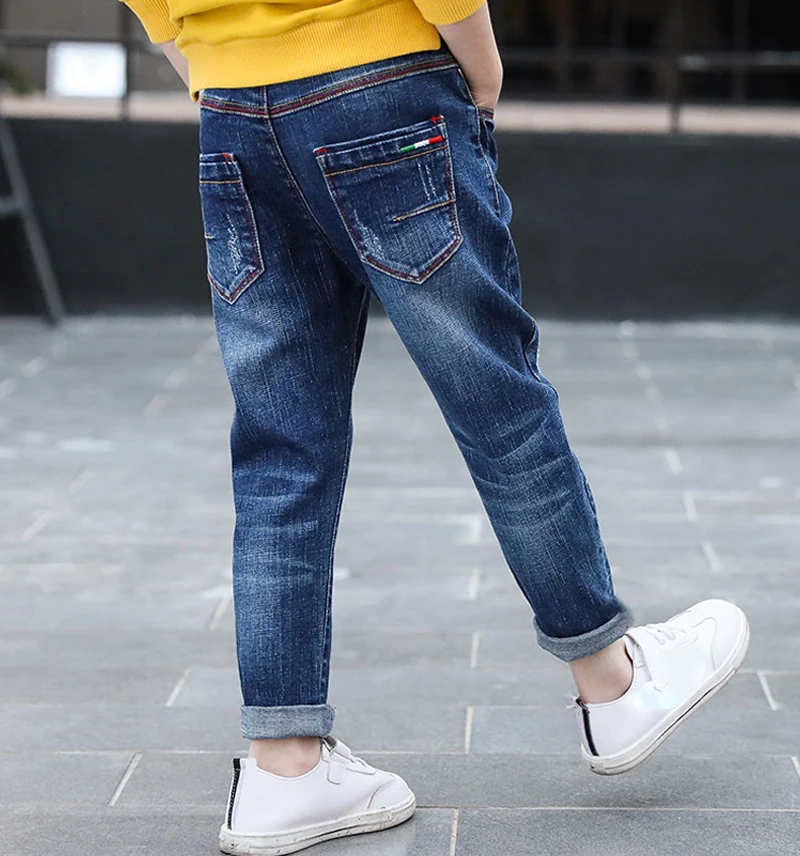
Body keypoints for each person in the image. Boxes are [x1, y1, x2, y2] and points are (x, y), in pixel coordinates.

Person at [120, 1, 750, 853]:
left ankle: (283, 769)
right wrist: (480, 64)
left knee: (281, 454)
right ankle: (613, 681)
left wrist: (205, 57)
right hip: (384, 83)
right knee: (500, 408)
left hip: (233, 108)